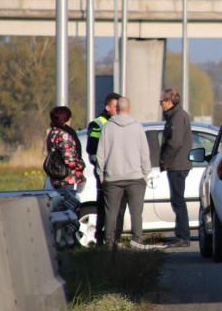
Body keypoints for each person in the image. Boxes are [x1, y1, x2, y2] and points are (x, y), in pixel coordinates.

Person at [96, 97, 151, 249]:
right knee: (136, 213)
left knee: (111, 213)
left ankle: (109, 243)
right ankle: (137, 241)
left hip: (112, 177)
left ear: (117, 109)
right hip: (135, 177)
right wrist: (145, 175)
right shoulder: (137, 127)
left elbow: (101, 154)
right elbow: (145, 154)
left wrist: (101, 175)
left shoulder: (107, 127)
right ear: (129, 109)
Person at [86, 92, 123, 246]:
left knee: (119, 207)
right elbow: (91, 148)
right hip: (104, 170)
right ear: (108, 108)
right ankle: (101, 239)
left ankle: (115, 239)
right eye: (115, 107)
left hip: (118, 170)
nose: (118, 110)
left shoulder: (121, 122)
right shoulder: (98, 124)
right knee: (103, 206)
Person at [159, 88, 192, 248]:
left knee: (178, 201)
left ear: (169, 102)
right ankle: (181, 235)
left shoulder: (178, 117)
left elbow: (175, 142)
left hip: (177, 165)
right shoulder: (175, 115)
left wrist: (164, 159)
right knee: (177, 201)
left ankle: (183, 237)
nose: (161, 104)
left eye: (162, 101)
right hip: (176, 164)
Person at [46, 106, 86, 191]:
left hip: (56, 175)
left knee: (60, 198)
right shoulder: (64, 135)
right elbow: (70, 161)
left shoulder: (52, 133)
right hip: (66, 178)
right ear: (65, 119)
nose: (70, 119)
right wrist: (81, 164)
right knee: (68, 199)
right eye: (69, 117)